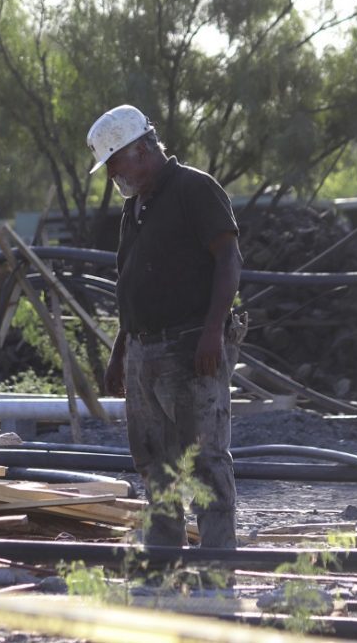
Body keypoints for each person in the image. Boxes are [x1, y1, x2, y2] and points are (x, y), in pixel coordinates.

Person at [87, 104, 247, 549]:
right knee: (154, 461)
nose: (113, 173)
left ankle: (218, 570)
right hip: (144, 351)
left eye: (116, 161)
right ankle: (163, 562)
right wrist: (121, 351)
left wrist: (213, 330)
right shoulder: (135, 207)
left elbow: (229, 260)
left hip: (190, 345)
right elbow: (132, 282)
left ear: (141, 149)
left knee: (203, 461)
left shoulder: (194, 189)